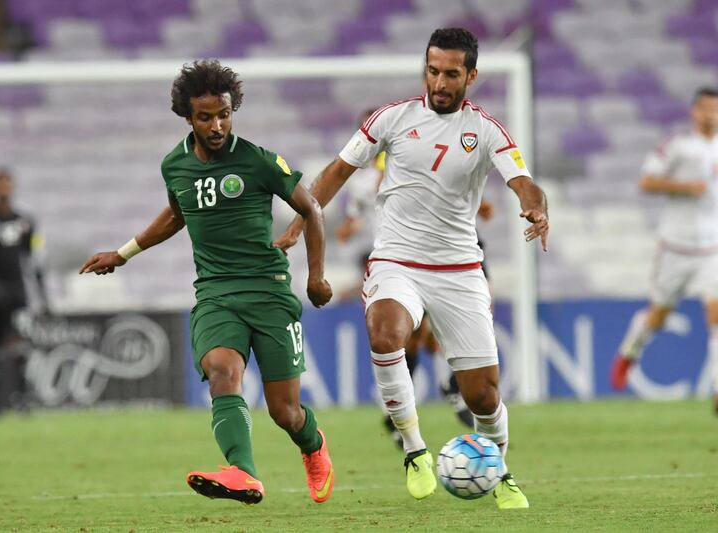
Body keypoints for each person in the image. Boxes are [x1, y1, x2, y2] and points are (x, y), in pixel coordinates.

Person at [276, 28, 548, 508]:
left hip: (460, 270)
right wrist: (303, 220)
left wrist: (536, 207)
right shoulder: (393, 118)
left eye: (451, 74)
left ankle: (500, 471)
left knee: (484, 398)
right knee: (385, 334)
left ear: (471, 76)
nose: (440, 82)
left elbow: (524, 182)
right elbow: (338, 171)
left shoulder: (486, 130)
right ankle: (414, 450)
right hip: (396, 260)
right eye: (433, 70)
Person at [79, 60, 335, 505]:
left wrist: (316, 276)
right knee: (221, 371)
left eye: (224, 114)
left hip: (269, 291)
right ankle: (243, 473)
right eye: (206, 117)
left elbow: (311, 208)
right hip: (216, 294)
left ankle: (313, 447)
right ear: (187, 117)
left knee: (285, 412)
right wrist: (122, 254)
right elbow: (178, 215)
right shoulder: (174, 166)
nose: (217, 126)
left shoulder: (257, 159)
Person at [335, 109, 475, 440]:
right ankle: (414, 406)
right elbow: (351, 224)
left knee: (422, 337)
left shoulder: (412, 165)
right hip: (386, 263)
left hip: (419, 258)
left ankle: (420, 401)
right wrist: (349, 227)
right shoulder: (363, 183)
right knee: (409, 338)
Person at [611, 87, 718, 413]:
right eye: (704, 108)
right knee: (658, 316)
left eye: (715, 108)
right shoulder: (677, 146)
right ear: (693, 112)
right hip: (675, 247)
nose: (710, 114)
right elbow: (646, 181)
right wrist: (685, 187)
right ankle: (630, 351)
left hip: (712, 248)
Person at [0, 168, 47, 415]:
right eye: (0, 184)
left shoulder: (25, 222)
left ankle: (23, 401)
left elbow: (34, 260)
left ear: (12, 187)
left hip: (18, 296)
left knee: (21, 350)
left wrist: (43, 296)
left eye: (8, 184)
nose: (4, 189)